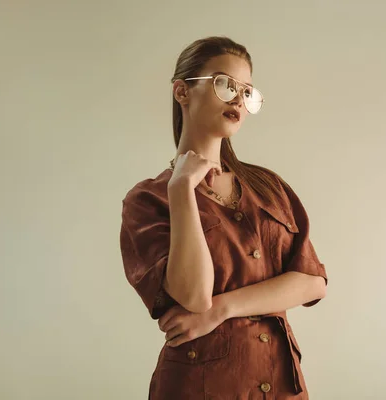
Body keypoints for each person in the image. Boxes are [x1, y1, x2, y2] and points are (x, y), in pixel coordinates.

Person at [119, 36, 328, 399]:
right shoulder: (148, 200)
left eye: (246, 91)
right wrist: (182, 189)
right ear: (182, 92)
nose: (237, 98)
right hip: (201, 387)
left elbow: (312, 282)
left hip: (280, 384)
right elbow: (194, 296)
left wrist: (221, 310)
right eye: (223, 84)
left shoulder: (268, 187)